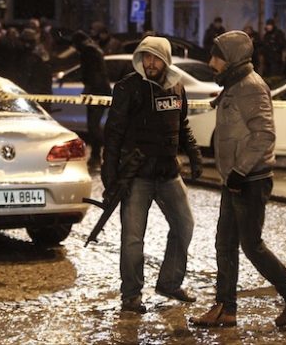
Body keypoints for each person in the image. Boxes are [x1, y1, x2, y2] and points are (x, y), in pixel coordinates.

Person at [190, 30, 286, 328]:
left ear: (231, 58)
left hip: (249, 179)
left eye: (216, 57)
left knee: (251, 245)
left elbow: (264, 135)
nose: (211, 62)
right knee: (225, 243)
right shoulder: (233, 85)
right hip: (234, 179)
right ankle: (226, 308)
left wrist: (239, 172)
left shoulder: (250, 87)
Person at [101, 36, 203, 314]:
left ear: (165, 60)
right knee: (133, 239)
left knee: (184, 226)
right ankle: (131, 296)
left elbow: (182, 126)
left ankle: (169, 282)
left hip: (169, 173)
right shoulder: (128, 88)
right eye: (145, 57)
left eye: (155, 57)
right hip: (137, 177)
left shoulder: (177, 87)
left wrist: (194, 156)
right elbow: (113, 135)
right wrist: (109, 176)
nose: (150, 63)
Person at [71, 30, 112, 170]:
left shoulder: (88, 51)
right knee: (94, 126)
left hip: (97, 92)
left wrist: (88, 89)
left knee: (93, 126)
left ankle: (97, 156)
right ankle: (97, 156)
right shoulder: (93, 49)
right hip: (100, 90)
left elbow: (91, 73)